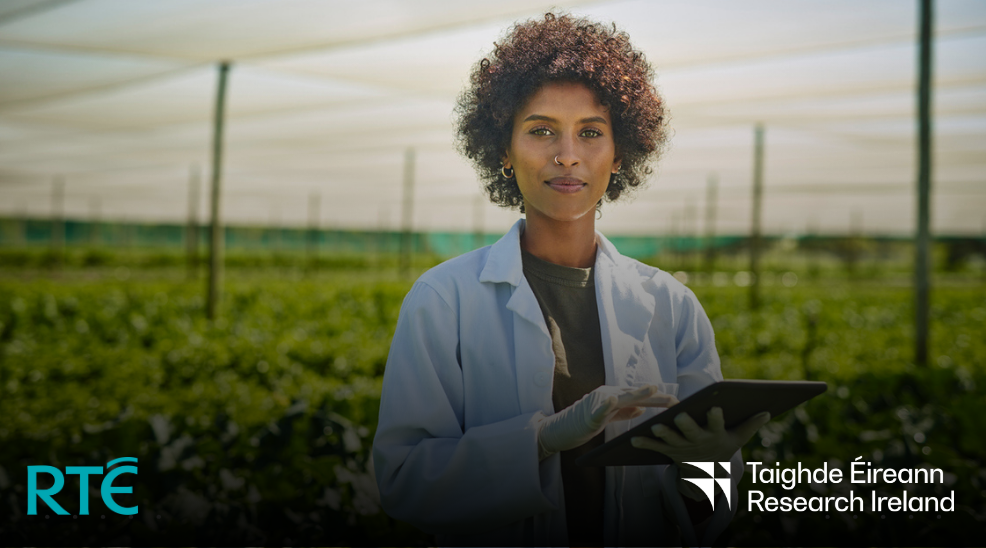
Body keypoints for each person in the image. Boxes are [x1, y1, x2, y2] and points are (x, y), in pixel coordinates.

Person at [372, 12, 769, 547]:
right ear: (504, 152)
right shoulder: (444, 300)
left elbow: (714, 515)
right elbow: (402, 484)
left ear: (620, 151)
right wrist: (541, 440)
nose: (567, 155)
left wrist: (709, 469)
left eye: (590, 132)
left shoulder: (672, 306)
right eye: (541, 131)